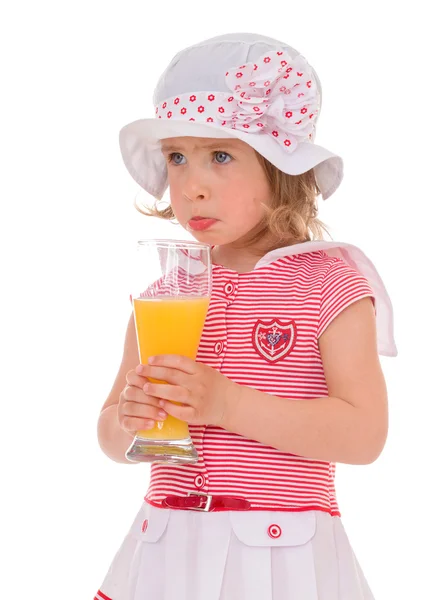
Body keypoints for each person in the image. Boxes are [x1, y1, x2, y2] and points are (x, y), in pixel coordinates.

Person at [95, 32, 397, 600]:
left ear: (281, 168)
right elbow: (111, 434)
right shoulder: (165, 293)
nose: (191, 185)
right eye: (177, 157)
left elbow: (365, 435)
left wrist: (228, 404)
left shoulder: (329, 284)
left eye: (221, 156)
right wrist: (130, 420)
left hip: (279, 562)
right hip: (165, 552)